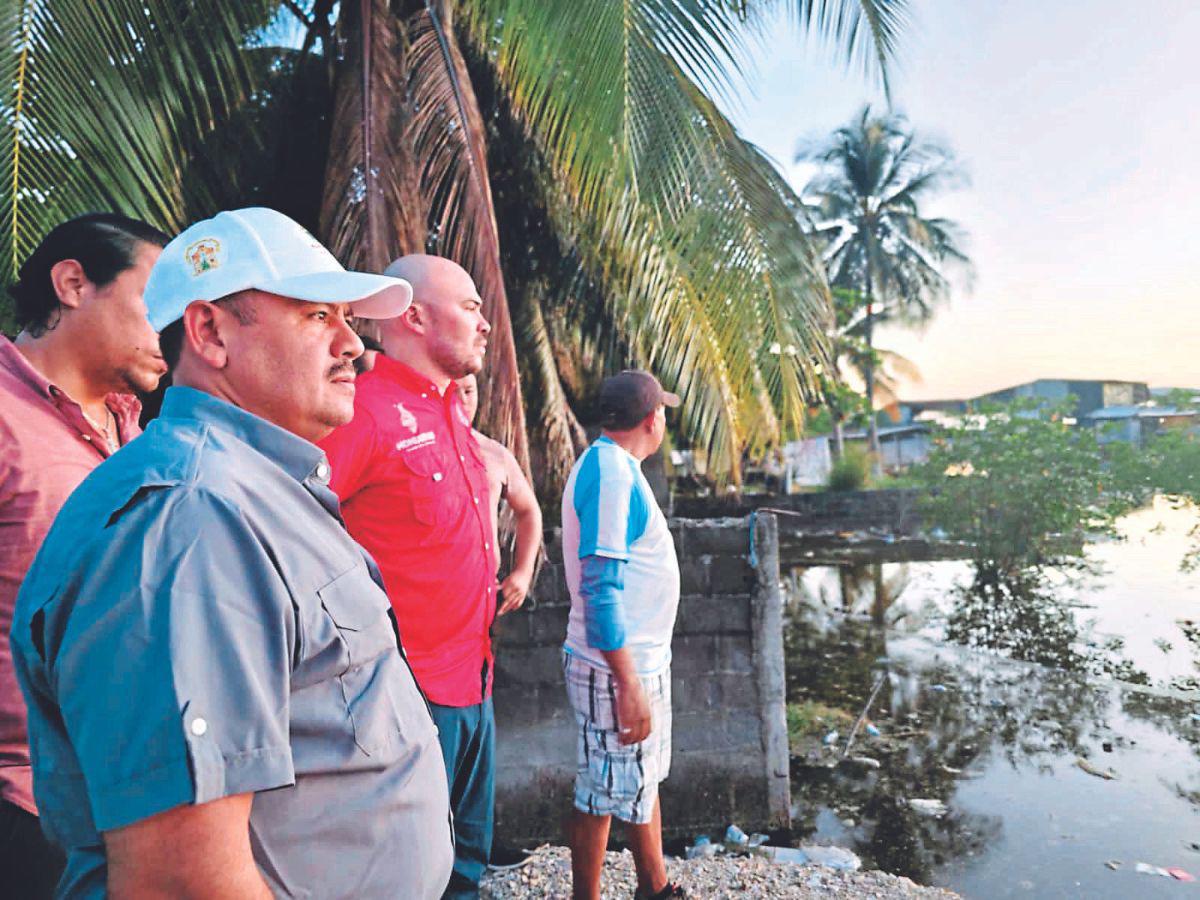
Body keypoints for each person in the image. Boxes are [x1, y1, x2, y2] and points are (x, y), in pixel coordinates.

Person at [10, 208, 453, 899]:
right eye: (315, 316)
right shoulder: (191, 519)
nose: (353, 347)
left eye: (346, 318)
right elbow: (182, 879)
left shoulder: (249, 491)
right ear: (210, 333)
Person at [0, 213, 169, 899]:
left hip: (127, 798)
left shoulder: (137, 433)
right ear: (73, 283)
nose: (174, 328)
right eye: (156, 304)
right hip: (22, 810)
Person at [319, 254, 496, 899]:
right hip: (406, 699)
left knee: (466, 869)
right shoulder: (361, 412)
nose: (484, 324)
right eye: (471, 307)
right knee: (404, 878)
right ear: (414, 316)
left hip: (474, 685)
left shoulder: (453, 415)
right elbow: (292, 535)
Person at [560, 370, 687, 900]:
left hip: (635, 661)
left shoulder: (614, 466)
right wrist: (627, 682)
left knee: (639, 777)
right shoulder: (612, 475)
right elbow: (601, 589)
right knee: (601, 792)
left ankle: (652, 887)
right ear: (652, 418)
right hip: (617, 666)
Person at [456, 373, 542, 613]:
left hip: (483, 595)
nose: (462, 400)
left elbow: (529, 510)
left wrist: (523, 573)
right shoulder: (415, 447)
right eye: (453, 392)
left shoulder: (494, 454)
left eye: (468, 391)